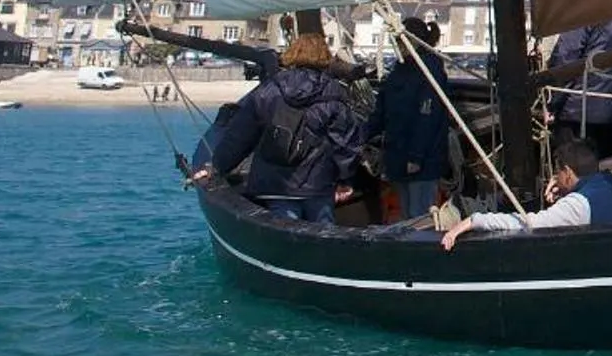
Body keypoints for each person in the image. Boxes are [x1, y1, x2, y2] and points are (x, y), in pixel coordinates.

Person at [190, 33, 364, 222]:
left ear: (292, 54)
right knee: (324, 234)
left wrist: (215, 168)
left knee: (284, 230)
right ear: (325, 58)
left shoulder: (268, 91)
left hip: (276, 184)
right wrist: (345, 180)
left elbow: (240, 138)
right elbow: (345, 143)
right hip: (318, 185)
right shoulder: (334, 94)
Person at [439, 136, 612, 248]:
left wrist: (474, 220)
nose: (554, 177)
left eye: (557, 172)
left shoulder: (577, 205)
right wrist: (565, 192)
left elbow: (528, 224)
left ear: (568, 173)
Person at [368, 17, 453, 220]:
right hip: (399, 156)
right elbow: (382, 110)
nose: (396, 45)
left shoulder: (430, 72)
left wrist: (416, 156)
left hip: (421, 162)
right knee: (408, 215)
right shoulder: (399, 71)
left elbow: (428, 118)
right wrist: (361, 135)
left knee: (421, 216)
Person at [550, 14, 612, 153]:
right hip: (610, 115)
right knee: (600, 168)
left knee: (572, 170)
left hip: (577, 115)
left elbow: (563, 65)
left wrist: (553, 104)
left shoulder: (583, 22)